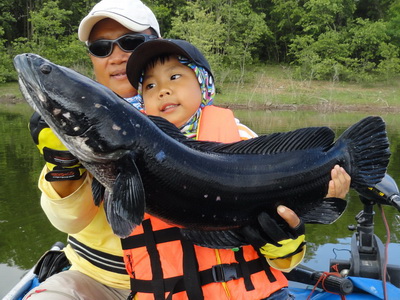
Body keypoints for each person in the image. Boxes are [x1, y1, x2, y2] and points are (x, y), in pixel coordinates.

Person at [120, 38, 352, 299]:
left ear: (203, 85)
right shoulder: (129, 157)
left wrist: (286, 243)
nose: (162, 90)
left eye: (175, 76)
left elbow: (286, 263)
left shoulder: (242, 139)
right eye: (150, 85)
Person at [24, 0, 160, 299]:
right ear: (93, 59)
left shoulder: (225, 133)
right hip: (93, 280)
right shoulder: (77, 127)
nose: (116, 56)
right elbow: (68, 221)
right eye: (101, 48)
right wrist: (63, 167)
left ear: (158, 47)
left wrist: (284, 248)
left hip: (186, 284)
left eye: (132, 42)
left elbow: (287, 260)